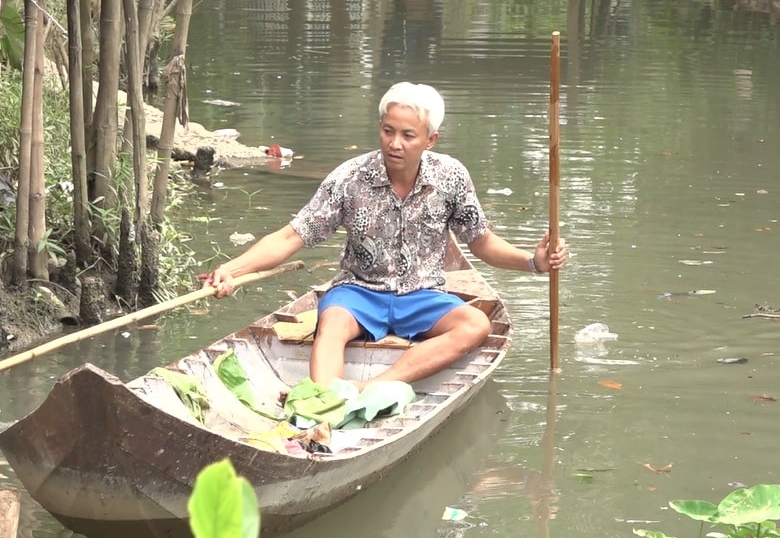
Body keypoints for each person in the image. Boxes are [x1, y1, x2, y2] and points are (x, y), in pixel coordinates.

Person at [207, 81, 569, 387]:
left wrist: (533, 262)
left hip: (422, 295)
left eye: (408, 135)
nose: (395, 143)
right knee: (330, 322)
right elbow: (291, 236)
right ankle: (323, 404)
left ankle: (372, 388)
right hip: (359, 293)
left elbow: (481, 242)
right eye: (387, 131)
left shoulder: (451, 177)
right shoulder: (349, 178)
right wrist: (233, 270)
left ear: (430, 139)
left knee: (476, 324)